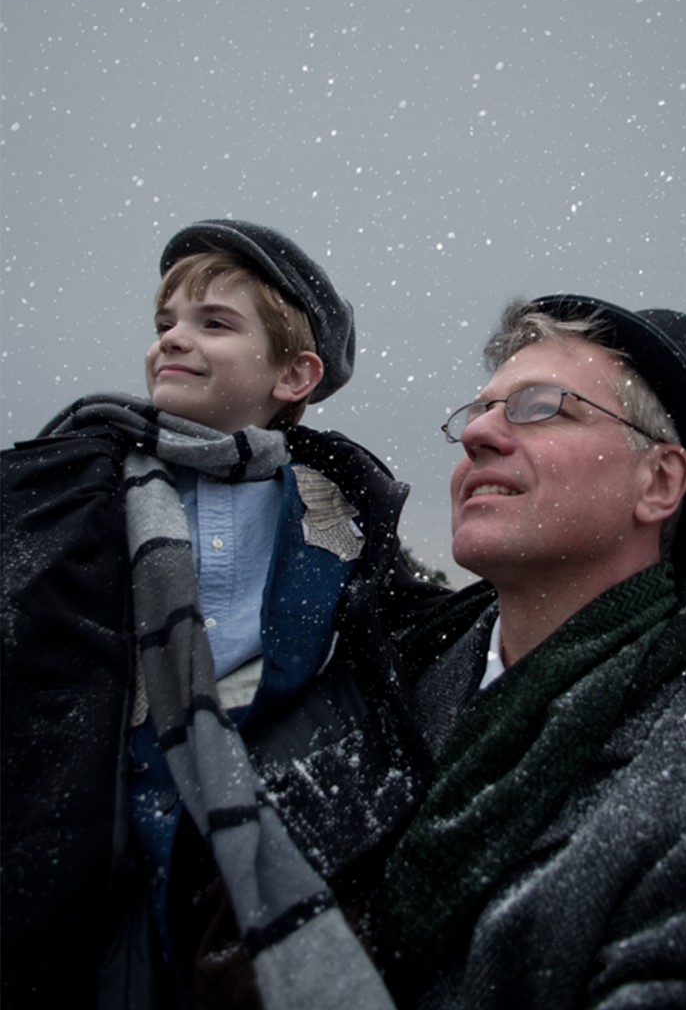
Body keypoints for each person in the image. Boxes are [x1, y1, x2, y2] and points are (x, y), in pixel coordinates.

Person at [1, 219, 446, 1010]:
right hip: (96, 835)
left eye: (213, 323)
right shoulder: (75, 484)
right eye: (165, 323)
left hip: (271, 835)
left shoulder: (337, 509)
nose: (173, 339)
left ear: (295, 376)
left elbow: (400, 632)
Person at [370, 294, 686, 1010]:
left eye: (539, 407)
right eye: (481, 410)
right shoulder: (379, 684)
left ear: (657, 482)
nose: (479, 435)